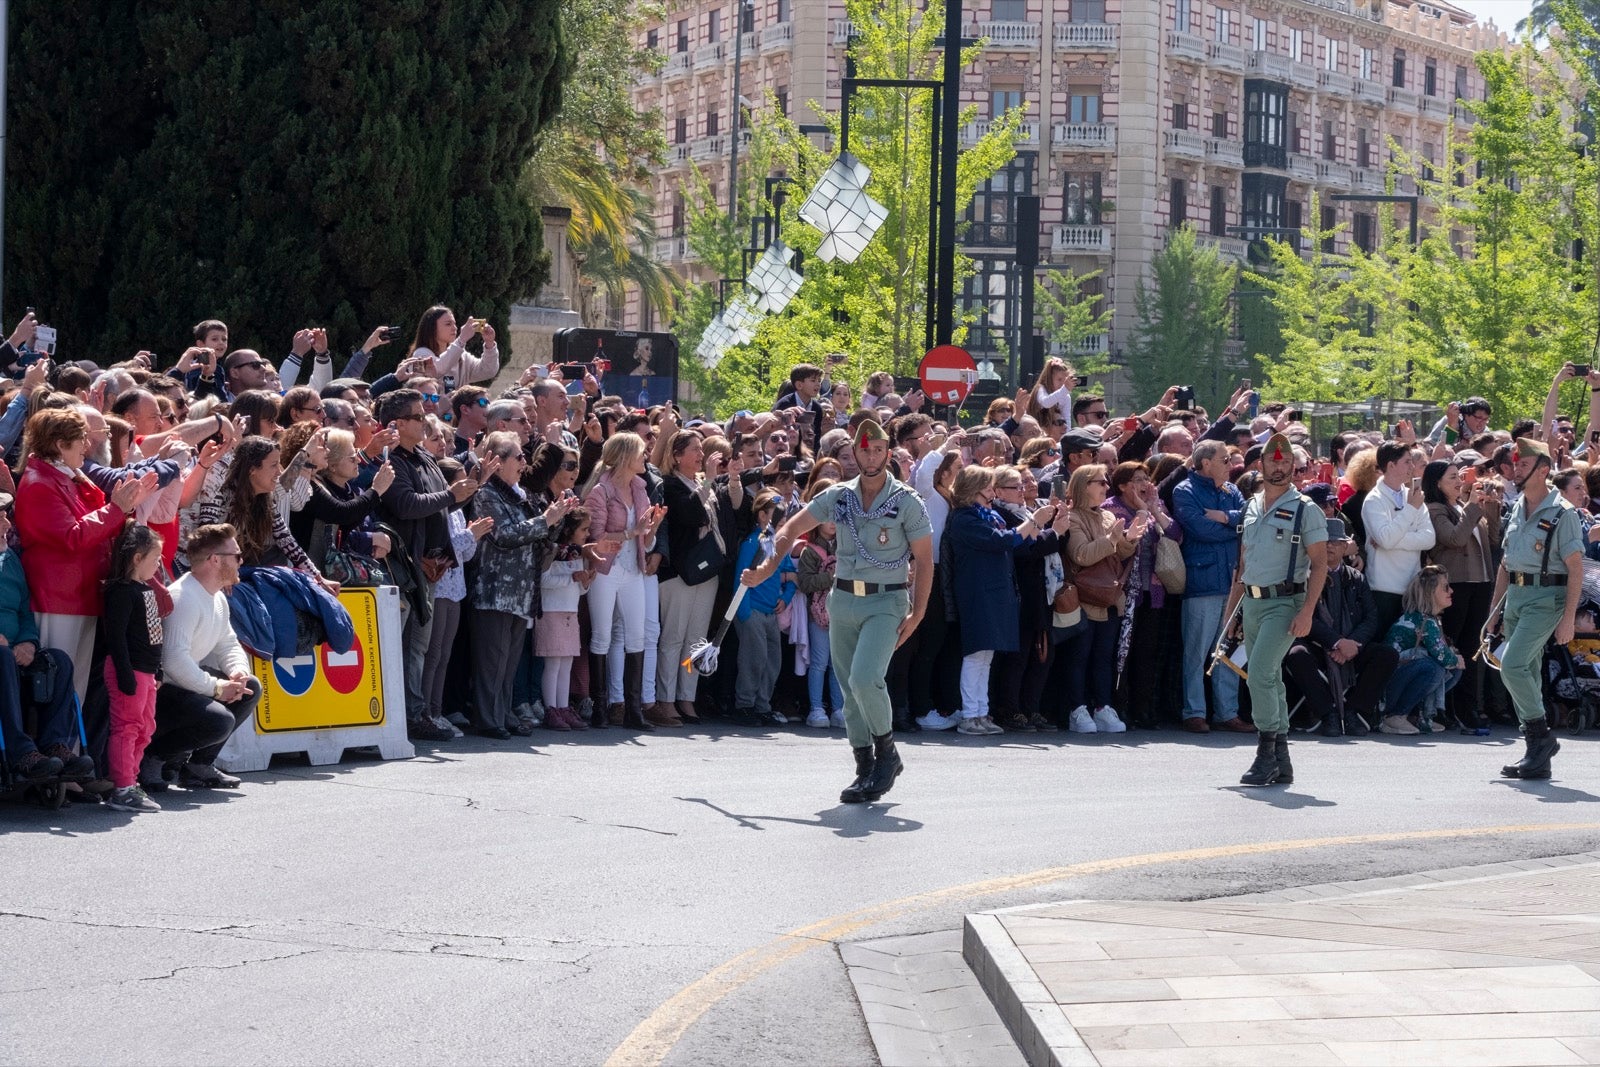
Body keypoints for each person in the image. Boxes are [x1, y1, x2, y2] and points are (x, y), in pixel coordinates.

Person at [741, 419, 932, 805]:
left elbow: (926, 560)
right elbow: (792, 527)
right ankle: (865, 766)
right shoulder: (839, 496)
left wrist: (919, 612)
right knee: (848, 690)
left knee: (865, 679)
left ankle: (887, 753)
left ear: (888, 454)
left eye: (878, 450)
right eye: (864, 450)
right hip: (842, 599)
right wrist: (767, 565)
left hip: (886, 600)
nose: (871, 456)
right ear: (856, 454)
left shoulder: (907, 501)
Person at [15, 408, 158, 704]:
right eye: (81, 438)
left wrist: (124, 506)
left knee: (73, 689)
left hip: (77, 595)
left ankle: (70, 748)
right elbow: (73, 537)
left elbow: (97, 522)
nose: (88, 445)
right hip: (56, 598)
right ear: (59, 444)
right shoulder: (39, 483)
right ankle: (55, 747)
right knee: (54, 687)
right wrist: (116, 508)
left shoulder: (64, 476)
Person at [373, 388, 479, 741]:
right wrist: (452, 495)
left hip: (430, 567)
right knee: (400, 646)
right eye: (417, 417)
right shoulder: (392, 460)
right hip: (403, 568)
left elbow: (439, 507)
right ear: (397, 423)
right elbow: (405, 504)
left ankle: (417, 713)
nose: (425, 420)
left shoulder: (423, 457)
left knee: (419, 646)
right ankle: (401, 717)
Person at [1225, 434, 1329, 787]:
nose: (1280, 467)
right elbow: (1243, 565)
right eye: (1274, 461)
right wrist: (1230, 616)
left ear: (1294, 468)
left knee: (1260, 673)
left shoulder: (1305, 509)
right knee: (1269, 678)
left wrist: (1308, 612)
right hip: (1252, 602)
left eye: (1287, 463)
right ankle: (1281, 759)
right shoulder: (1250, 505)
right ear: (1262, 464)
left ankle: (1265, 752)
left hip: (1286, 601)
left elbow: (1320, 565)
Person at [467, 432, 581, 739]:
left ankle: (503, 713)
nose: (524, 462)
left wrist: (556, 520)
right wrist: (546, 519)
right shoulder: (486, 493)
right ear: (498, 461)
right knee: (492, 661)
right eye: (518, 457)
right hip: (493, 591)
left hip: (519, 592)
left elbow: (539, 537)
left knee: (508, 663)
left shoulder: (517, 494)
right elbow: (503, 534)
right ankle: (488, 719)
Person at [1489, 437, 1583, 780]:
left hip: (1546, 600)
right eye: (1516, 464)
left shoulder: (1563, 513)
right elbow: (1506, 564)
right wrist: (1494, 611)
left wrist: (1569, 618)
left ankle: (1540, 736)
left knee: (1511, 665)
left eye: (1525, 465)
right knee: (1526, 670)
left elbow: (1575, 568)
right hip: (1515, 596)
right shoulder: (1517, 507)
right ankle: (1536, 755)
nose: (1517, 470)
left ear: (1543, 470)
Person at [147, 524, 262, 791]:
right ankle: (153, 758)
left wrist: (237, 673)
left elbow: (228, 643)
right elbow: (173, 662)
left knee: (250, 687)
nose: (241, 561)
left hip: (183, 686)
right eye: (236, 555)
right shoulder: (184, 597)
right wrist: (217, 688)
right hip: (162, 691)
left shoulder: (217, 597)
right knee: (219, 720)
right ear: (215, 560)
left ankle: (199, 766)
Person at [1283, 518, 1397, 737]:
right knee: (1296, 654)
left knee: (1387, 655)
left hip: (1352, 645)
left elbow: (1371, 617)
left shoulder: (1356, 578)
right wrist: (1336, 642)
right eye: (1324, 541)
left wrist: (1353, 644)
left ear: (1345, 547)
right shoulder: (1302, 577)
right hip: (1317, 645)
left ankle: (1355, 711)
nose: (1329, 546)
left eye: (1335, 542)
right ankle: (1328, 714)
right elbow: (1306, 617)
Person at [583, 432, 667, 731]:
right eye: (641, 452)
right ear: (625, 457)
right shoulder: (600, 491)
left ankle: (633, 710)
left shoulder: (641, 488)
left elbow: (645, 539)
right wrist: (633, 533)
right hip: (606, 570)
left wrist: (651, 529)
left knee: (638, 636)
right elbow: (595, 537)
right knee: (602, 636)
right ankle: (601, 707)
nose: (645, 457)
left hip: (633, 568)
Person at [1172, 439, 1250, 733]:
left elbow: (1250, 520)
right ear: (1206, 463)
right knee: (1197, 650)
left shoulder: (1231, 491)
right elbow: (1200, 530)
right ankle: (1193, 711)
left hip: (1233, 582)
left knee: (1227, 649)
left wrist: (1225, 517)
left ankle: (1226, 712)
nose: (1231, 465)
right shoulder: (1185, 491)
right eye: (1225, 460)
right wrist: (1233, 528)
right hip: (1203, 581)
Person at [1061, 463, 1144, 733]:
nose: (1106, 487)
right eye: (1100, 482)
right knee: (1079, 657)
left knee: (1103, 658)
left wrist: (1128, 540)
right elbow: (1081, 555)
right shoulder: (1073, 517)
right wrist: (1111, 540)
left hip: (1108, 598)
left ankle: (1102, 707)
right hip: (1084, 597)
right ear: (1084, 486)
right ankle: (1076, 709)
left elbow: (1116, 555)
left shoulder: (1107, 516)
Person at [1423, 459, 1500, 730]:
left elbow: (1493, 540)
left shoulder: (1461, 506)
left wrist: (1489, 507)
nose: (1459, 481)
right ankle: (1453, 706)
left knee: (1473, 647)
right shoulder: (1435, 509)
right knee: (1456, 645)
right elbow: (1453, 539)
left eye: (1459, 476)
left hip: (1479, 581)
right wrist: (1472, 508)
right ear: (1437, 483)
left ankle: (1470, 705)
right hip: (1455, 584)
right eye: (1452, 477)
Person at [656, 431, 724, 725]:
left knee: (696, 640)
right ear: (676, 455)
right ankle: (665, 700)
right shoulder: (669, 485)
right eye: (694, 450)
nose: (700, 454)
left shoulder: (701, 483)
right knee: (673, 637)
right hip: (680, 572)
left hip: (706, 572)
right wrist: (708, 481)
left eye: (701, 449)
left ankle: (687, 697)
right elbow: (691, 515)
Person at [101, 525, 168, 813]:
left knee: (145, 728)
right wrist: (125, 673)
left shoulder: (146, 589)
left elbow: (153, 633)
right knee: (126, 728)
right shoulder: (120, 591)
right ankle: (122, 786)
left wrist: (159, 669)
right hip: (129, 670)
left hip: (147, 671)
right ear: (137, 558)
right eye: (155, 558)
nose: (159, 564)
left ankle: (131, 779)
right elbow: (115, 637)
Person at [731, 491, 798, 726]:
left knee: (773, 661)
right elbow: (741, 579)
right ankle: (745, 705)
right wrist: (745, 614)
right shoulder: (752, 543)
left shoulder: (778, 545)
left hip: (771, 613)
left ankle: (762, 705)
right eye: (775, 515)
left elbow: (792, 576)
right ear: (762, 516)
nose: (782, 520)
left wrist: (787, 597)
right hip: (753, 612)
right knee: (753, 659)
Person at [1362, 440, 1436, 635]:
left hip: (1412, 588)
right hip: (1383, 589)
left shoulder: (1414, 495)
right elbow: (1386, 539)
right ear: (1390, 465)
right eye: (1407, 462)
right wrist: (1411, 509)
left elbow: (1429, 538)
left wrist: (1392, 541)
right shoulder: (1373, 500)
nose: (1412, 467)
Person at [1382, 565, 1463, 735]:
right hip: (1387, 690)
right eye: (1445, 587)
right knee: (1434, 668)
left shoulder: (1430, 619)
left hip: (1399, 680)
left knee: (1451, 669)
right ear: (1430, 592)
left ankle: (1416, 716)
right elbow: (1443, 656)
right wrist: (1455, 659)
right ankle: (1395, 715)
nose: (1452, 591)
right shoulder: (1422, 619)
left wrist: (1454, 661)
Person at [538, 508, 595, 731]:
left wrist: (585, 581)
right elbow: (544, 580)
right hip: (552, 612)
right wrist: (571, 577)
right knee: (553, 664)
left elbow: (579, 591)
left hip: (570, 613)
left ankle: (563, 707)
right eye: (584, 529)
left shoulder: (579, 555)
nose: (587, 534)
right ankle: (551, 708)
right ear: (569, 530)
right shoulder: (554, 553)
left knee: (567, 664)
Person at [795, 515, 846, 729]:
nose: (833, 523)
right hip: (818, 614)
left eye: (836, 519)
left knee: (837, 664)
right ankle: (816, 708)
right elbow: (805, 583)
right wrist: (831, 577)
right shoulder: (810, 550)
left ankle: (838, 709)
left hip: (841, 612)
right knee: (819, 662)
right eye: (828, 519)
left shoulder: (844, 547)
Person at [406, 306, 501, 385]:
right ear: (432, 328)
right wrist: (461, 340)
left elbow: (488, 371)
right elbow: (438, 369)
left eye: (454, 324)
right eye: (448, 324)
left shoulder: (461, 356)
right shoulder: (420, 354)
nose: (454, 328)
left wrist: (489, 344)